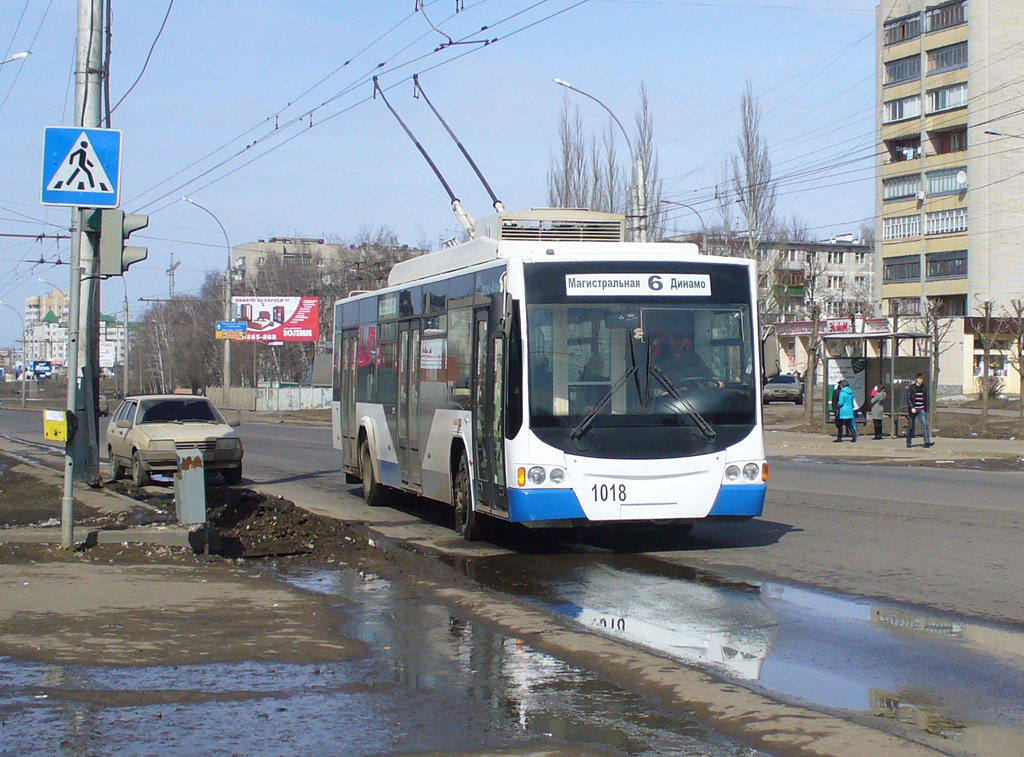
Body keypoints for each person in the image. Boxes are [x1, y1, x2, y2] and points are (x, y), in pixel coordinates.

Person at [906, 373, 933, 448]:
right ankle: (909, 442)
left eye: (922, 379)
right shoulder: (912, 387)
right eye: (919, 379)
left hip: (921, 408)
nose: (921, 381)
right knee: (911, 426)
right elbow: (908, 398)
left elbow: (925, 398)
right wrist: (912, 407)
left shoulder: (924, 387)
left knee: (924, 425)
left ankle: (927, 442)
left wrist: (925, 408)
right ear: (916, 379)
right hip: (914, 409)